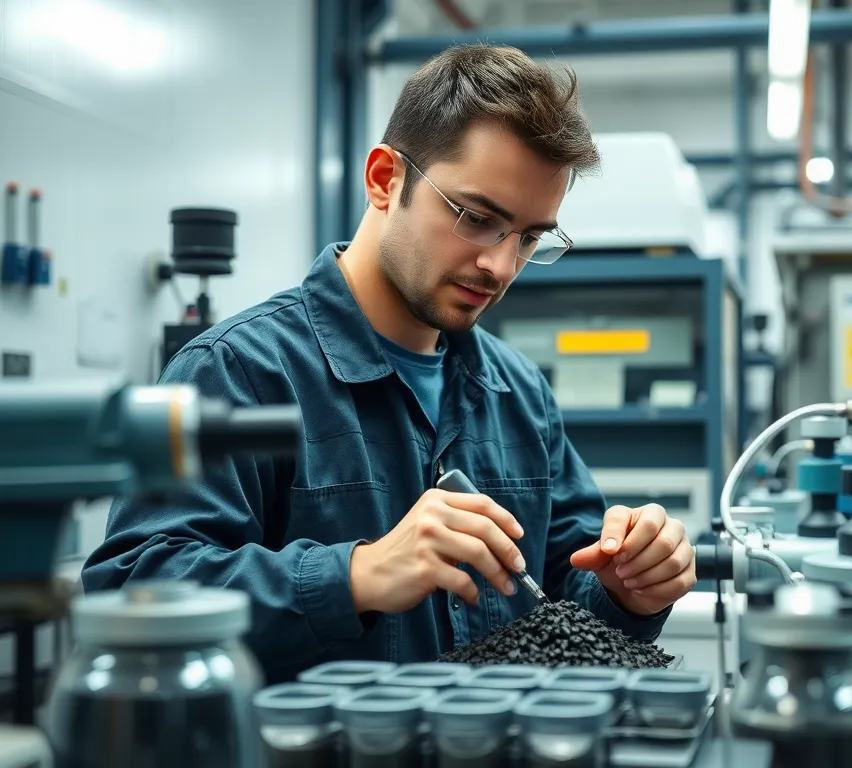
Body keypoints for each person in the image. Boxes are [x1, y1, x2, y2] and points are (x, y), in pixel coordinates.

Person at [82, 44, 697, 683]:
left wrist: (630, 588)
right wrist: (356, 575)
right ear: (384, 179)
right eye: (478, 218)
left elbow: (564, 609)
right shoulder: (236, 374)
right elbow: (131, 589)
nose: (502, 266)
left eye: (530, 237)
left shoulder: (519, 393)